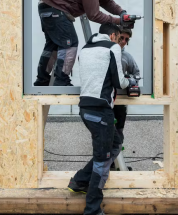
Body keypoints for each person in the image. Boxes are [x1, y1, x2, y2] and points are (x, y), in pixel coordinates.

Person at [67, 23, 139, 215]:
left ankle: (80, 180)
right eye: (119, 38)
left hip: (85, 109)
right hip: (101, 112)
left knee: (115, 143)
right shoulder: (112, 48)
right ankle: (92, 209)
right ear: (113, 35)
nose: (120, 42)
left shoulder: (85, 49)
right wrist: (131, 81)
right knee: (102, 160)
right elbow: (119, 82)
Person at [35, 0, 134, 87]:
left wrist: (122, 13)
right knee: (69, 43)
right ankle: (61, 80)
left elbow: (107, 2)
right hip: (55, 9)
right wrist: (118, 21)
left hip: (48, 8)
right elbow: (94, 15)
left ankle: (41, 81)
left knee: (53, 46)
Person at [113, 28, 140, 141]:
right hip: (105, 98)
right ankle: (106, 157)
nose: (123, 41)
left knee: (118, 132)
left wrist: (130, 80)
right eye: (121, 38)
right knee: (105, 132)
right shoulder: (105, 52)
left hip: (120, 99)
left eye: (126, 39)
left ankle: (117, 157)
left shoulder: (127, 57)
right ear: (115, 36)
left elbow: (137, 73)